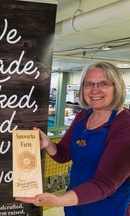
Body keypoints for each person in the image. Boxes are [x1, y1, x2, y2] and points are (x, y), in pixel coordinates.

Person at [16, 62, 130, 216]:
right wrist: (47, 144)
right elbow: (64, 154)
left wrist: (58, 200)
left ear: (116, 87)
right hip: (75, 204)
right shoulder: (84, 116)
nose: (95, 90)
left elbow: (105, 184)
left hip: (108, 207)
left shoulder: (125, 125)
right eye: (88, 84)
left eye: (103, 83)